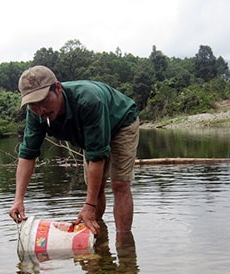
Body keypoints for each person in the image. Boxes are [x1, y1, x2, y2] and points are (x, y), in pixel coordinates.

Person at [9, 65, 139, 237]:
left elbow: (96, 157)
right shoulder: (36, 114)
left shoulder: (88, 100)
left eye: (43, 100)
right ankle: (95, 237)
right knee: (95, 188)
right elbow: (27, 154)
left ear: (58, 88)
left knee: (119, 184)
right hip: (90, 133)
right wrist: (18, 199)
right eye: (33, 104)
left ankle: (125, 245)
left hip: (120, 121)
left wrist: (89, 205)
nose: (40, 110)